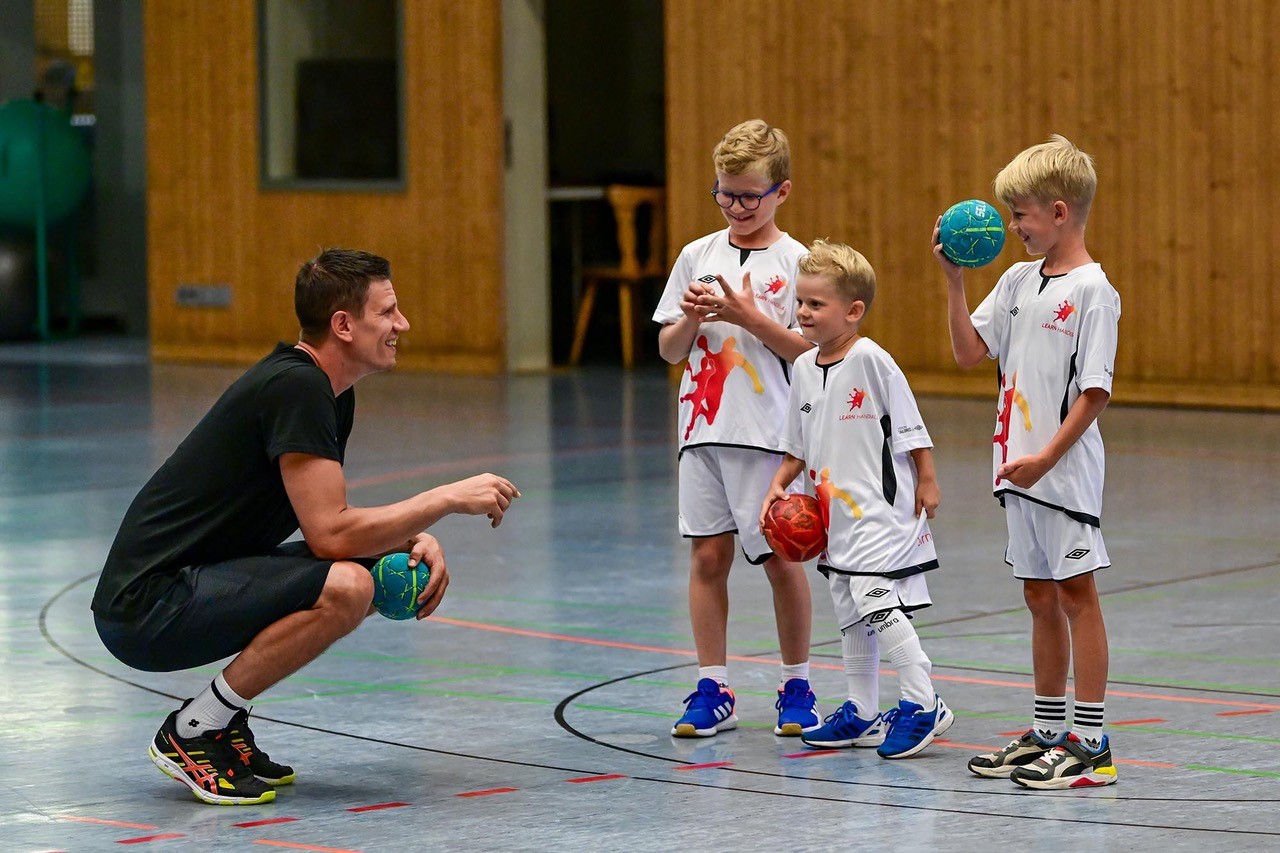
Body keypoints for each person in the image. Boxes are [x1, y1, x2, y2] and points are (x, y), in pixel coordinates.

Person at [91, 249, 521, 805]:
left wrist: (409, 538)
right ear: (343, 324)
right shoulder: (297, 388)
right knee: (348, 585)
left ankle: (221, 723)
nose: (403, 324)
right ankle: (195, 729)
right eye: (387, 312)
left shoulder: (328, 392)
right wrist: (444, 498)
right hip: (147, 607)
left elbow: (324, 515)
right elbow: (330, 536)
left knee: (376, 569)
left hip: (194, 580)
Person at [937, 135, 1120, 789]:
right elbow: (968, 352)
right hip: (1018, 471)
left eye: (1020, 215)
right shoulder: (1016, 281)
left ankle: (1092, 746)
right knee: (1038, 595)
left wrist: (1044, 458)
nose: (1012, 226)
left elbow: (1094, 392)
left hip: (1061, 473)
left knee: (1077, 595)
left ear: (1059, 213)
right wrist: (954, 280)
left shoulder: (1094, 291)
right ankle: (1047, 731)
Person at [652, 119, 819, 738]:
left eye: (750, 195)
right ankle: (712, 685)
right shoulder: (697, 255)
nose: (736, 207)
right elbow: (670, 351)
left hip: (769, 435)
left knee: (781, 559)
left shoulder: (798, 262)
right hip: (702, 433)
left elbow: (809, 352)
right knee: (707, 556)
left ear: (782, 191)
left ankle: (797, 683)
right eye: (725, 193)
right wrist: (691, 320)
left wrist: (749, 318)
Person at [760, 239, 953, 759]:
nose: (803, 312)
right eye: (800, 302)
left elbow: (912, 427)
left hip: (881, 511)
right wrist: (780, 481)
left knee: (874, 598)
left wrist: (927, 479)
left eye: (815, 304)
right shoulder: (804, 367)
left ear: (853, 310)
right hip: (835, 515)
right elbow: (797, 444)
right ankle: (863, 712)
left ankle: (923, 701)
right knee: (848, 605)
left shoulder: (873, 360)